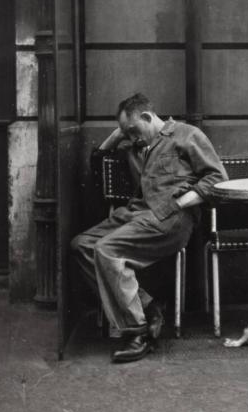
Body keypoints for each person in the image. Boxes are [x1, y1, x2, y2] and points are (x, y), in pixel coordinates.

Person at [71, 93, 227, 363]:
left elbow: (217, 179)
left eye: (133, 130)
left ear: (147, 117)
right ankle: (148, 308)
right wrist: (121, 133)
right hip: (135, 214)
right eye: (126, 133)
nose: (132, 137)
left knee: (107, 250)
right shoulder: (134, 146)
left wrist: (178, 204)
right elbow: (97, 163)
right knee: (82, 246)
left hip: (171, 218)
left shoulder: (186, 134)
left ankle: (138, 333)